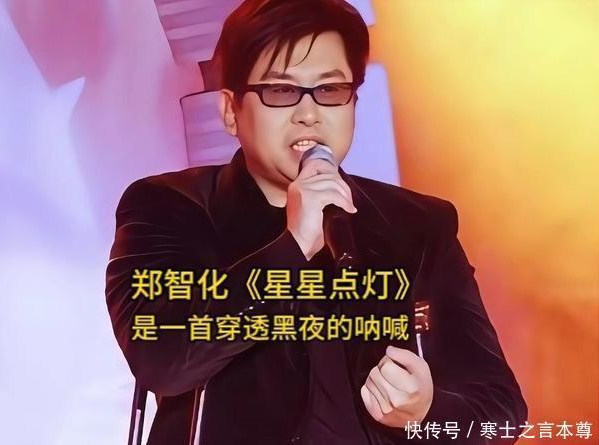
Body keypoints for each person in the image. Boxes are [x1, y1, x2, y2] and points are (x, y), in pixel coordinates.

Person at [105, 0, 528, 444]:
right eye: (280, 91)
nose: (309, 113)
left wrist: (426, 411)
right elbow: (161, 358)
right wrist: (294, 247)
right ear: (231, 111)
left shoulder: (418, 225)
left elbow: (500, 410)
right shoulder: (171, 207)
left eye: (329, 89)